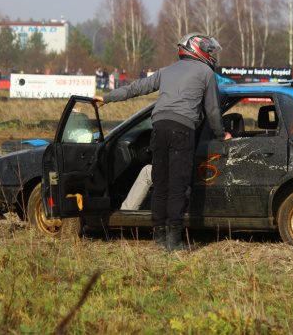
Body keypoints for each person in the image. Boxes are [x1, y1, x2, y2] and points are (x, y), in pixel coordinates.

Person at [93, 32, 232, 251]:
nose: (211, 55)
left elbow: (136, 88)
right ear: (197, 50)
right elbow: (213, 110)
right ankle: (174, 242)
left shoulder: (165, 71)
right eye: (208, 50)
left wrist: (108, 98)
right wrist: (221, 134)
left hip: (158, 129)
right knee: (178, 185)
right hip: (182, 131)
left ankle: (159, 236)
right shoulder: (205, 72)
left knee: (160, 183)